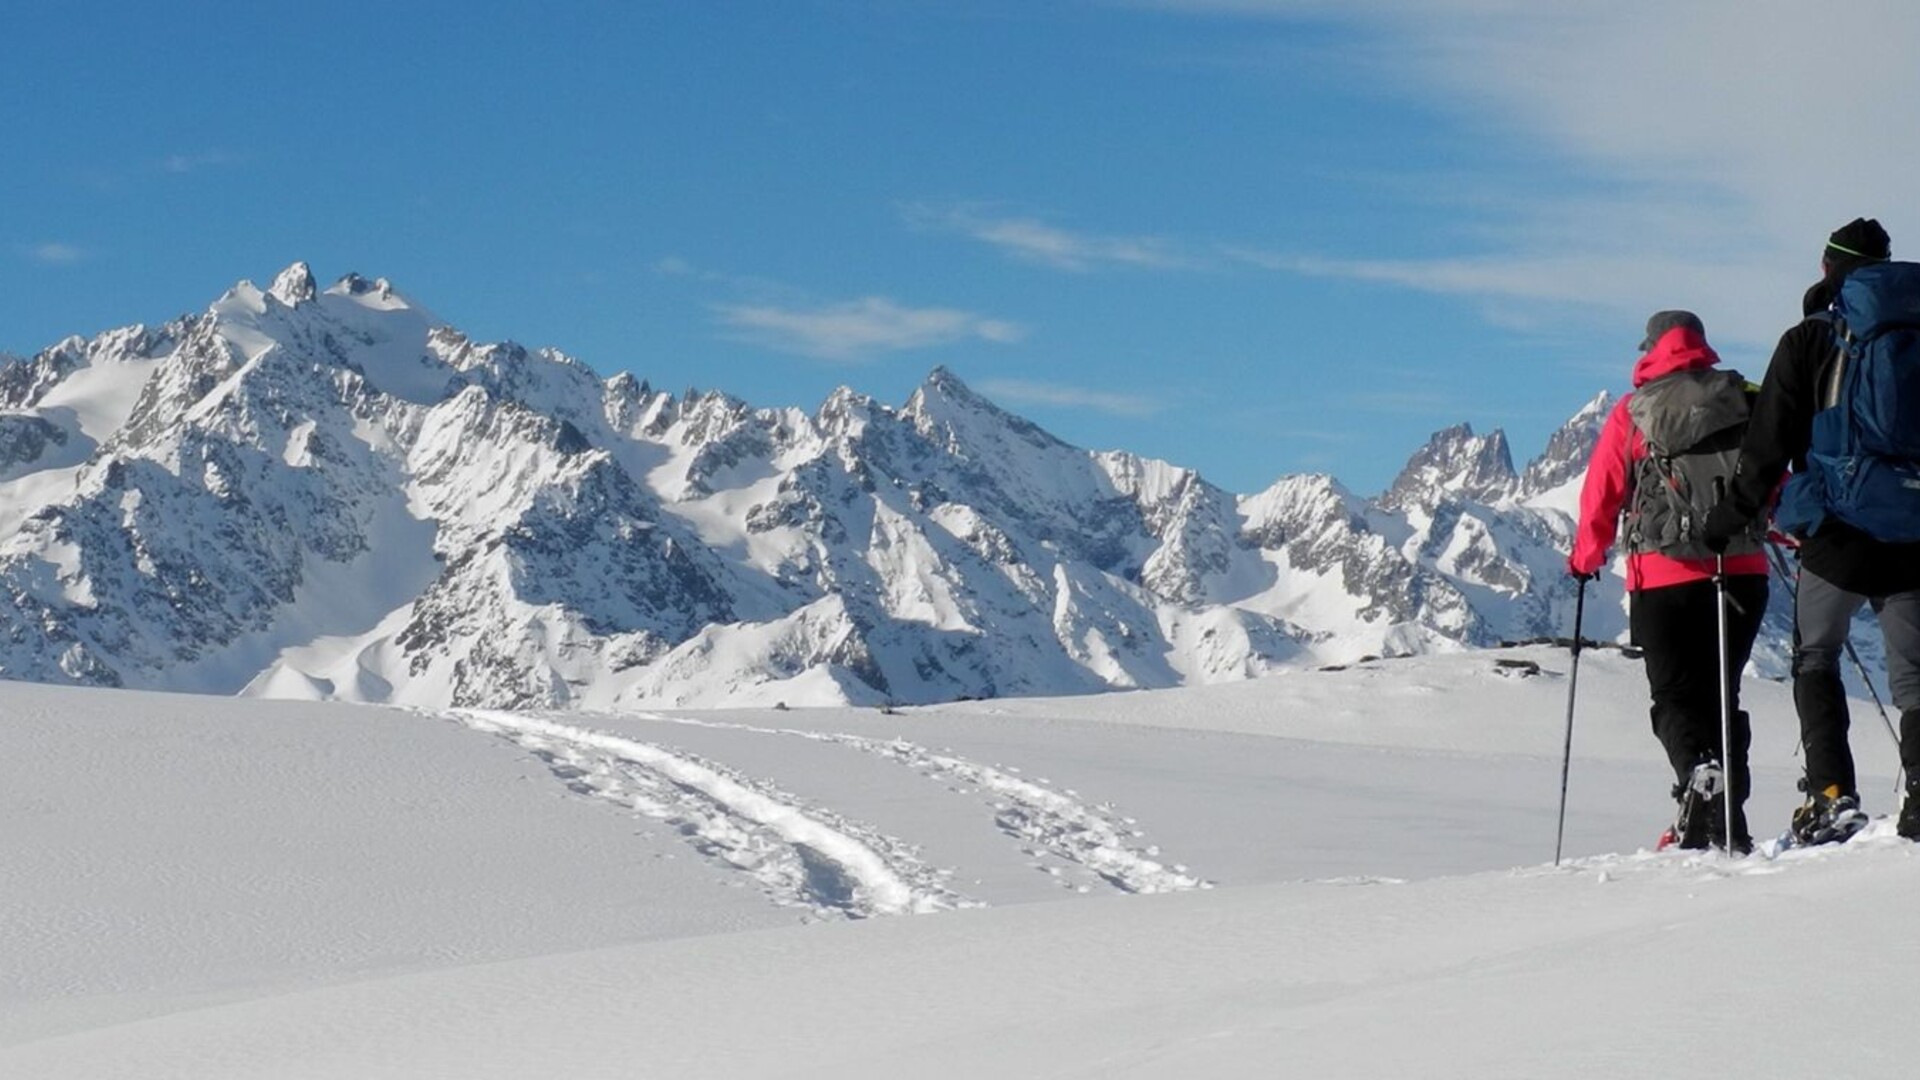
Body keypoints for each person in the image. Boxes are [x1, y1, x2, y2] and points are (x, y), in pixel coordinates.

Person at [1704, 217, 1920, 845]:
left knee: (1816, 655)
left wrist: (1732, 515)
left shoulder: (1809, 339)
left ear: (1829, 269)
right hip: (1914, 529)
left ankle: (1831, 795)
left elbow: (1766, 443)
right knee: (1914, 677)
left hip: (1838, 527)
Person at [1569, 310, 1770, 852]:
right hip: (1743, 570)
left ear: (1651, 349)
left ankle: (1696, 774)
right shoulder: (1743, 397)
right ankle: (1730, 825)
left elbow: (1603, 493)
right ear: (1702, 346)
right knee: (1721, 696)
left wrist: (1585, 557)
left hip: (1662, 577)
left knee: (1674, 696)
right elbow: (1771, 476)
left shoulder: (1633, 412)